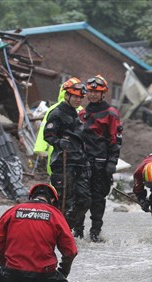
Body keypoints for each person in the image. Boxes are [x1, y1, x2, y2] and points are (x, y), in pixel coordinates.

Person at [0, 183, 77, 282]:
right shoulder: (55, 214)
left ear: (31, 196)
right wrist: (62, 273)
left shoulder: (12, 211)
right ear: (52, 200)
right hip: (44, 272)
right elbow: (70, 251)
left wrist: (5, 266)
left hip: (14, 270)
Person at [76, 75, 123, 242]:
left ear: (104, 93)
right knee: (80, 197)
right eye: (90, 91)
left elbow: (115, 140)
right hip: (83, 163)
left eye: (97, 92)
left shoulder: (111, 114)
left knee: (97, 199)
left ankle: (95, 231)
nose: (93, 94)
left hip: (101, 164)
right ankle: (78, 231)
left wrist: (112, 162)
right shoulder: (82, 113)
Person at [43, 79, 91, 229]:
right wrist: (58, 143)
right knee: (64, 200)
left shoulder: (77, 115)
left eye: (80, 97)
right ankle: (56, 230)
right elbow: (48, 135)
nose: (78, 100)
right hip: (63, 163)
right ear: (67, 96)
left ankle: (66, 227)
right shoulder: (56, 113)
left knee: (84, 199)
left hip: (79, 162)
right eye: (74, 96)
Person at [33, 78, 83, 175]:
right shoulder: (56, 110)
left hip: (76, 155)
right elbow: (45, 129)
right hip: (58, 151)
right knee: (57, 180)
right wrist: (40, 148)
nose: (78, 99)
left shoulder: (81, 111)